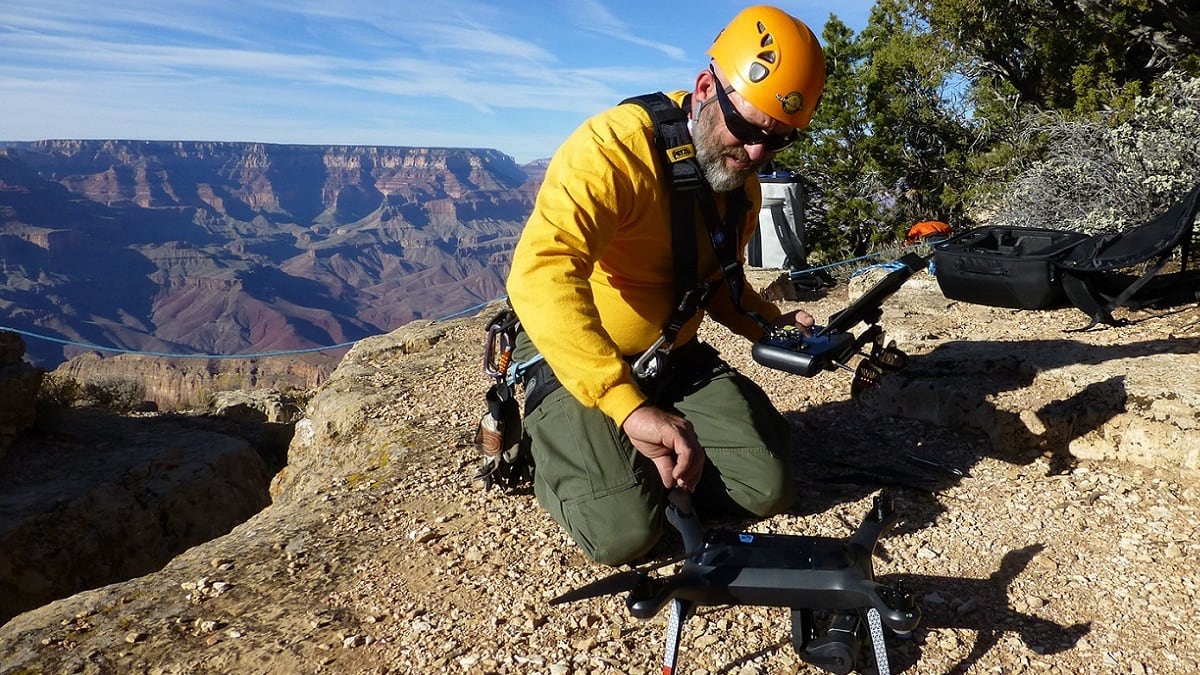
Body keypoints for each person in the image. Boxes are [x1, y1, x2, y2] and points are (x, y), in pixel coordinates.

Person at [505, 5, 827, 566]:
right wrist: (625, 406)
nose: (757, 153)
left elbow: (718, 281)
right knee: (624, 533)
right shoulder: (613, 149)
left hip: (668, 355)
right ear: (705, 90)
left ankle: (631, 455)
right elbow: (541, 271)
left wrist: (772, 325)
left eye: (779, 141)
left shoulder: (739, 183)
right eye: (749, 129)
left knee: (768, 486)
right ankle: (562, 444)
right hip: (580, 356)